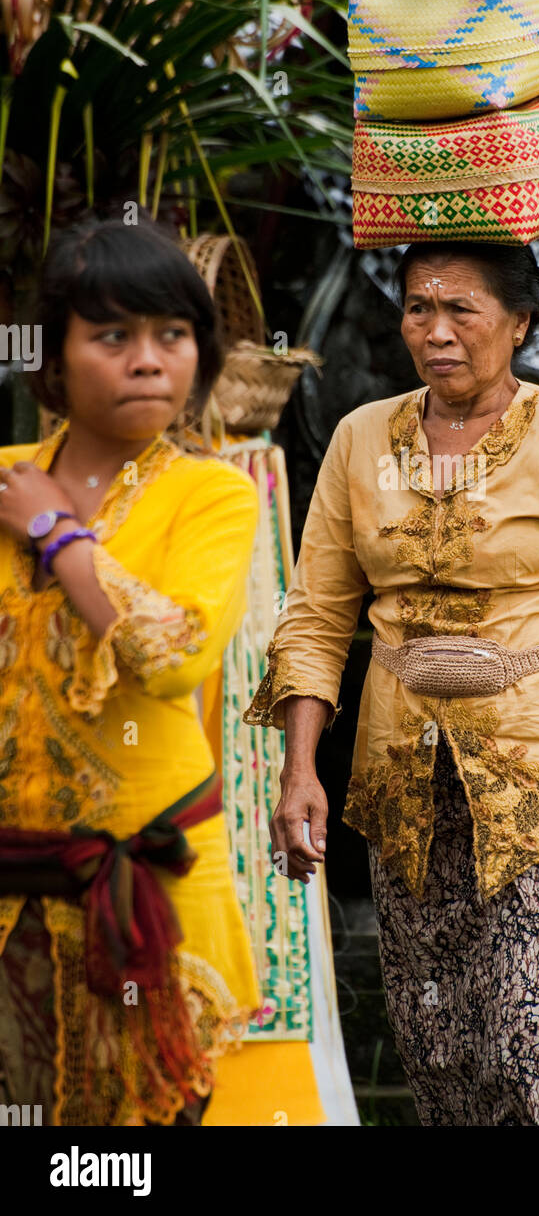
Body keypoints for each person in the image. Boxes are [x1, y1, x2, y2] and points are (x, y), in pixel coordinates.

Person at [244, 239, 539, 1127]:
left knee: (535, 1038)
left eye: (463, 311)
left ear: (521, 324)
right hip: (401, 779)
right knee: (438, 1040)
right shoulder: (358, 437)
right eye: (420, 307)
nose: (437, 331)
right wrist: (299, 770)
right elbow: (316, 616)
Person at [0, 218, 261, 1125]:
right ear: (54, 357)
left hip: (149, 882)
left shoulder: (215, 494)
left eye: (172, 335)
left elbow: (172, 651)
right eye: (113, 336)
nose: (148, 360)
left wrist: (55, 534)